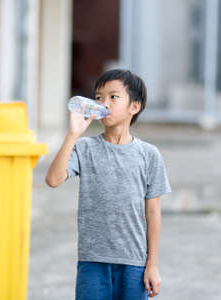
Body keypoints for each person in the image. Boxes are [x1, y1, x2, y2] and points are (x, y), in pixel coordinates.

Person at [45, 69, 172, 299]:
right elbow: (53, 179)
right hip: (92, 261)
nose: (104, 103)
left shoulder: (149, 155)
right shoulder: (85, 148)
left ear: (134, 106)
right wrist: (73, 134)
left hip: (134, 262)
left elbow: (153, 212)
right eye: (99, 97)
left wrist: (151, 265)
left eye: (114, 97)